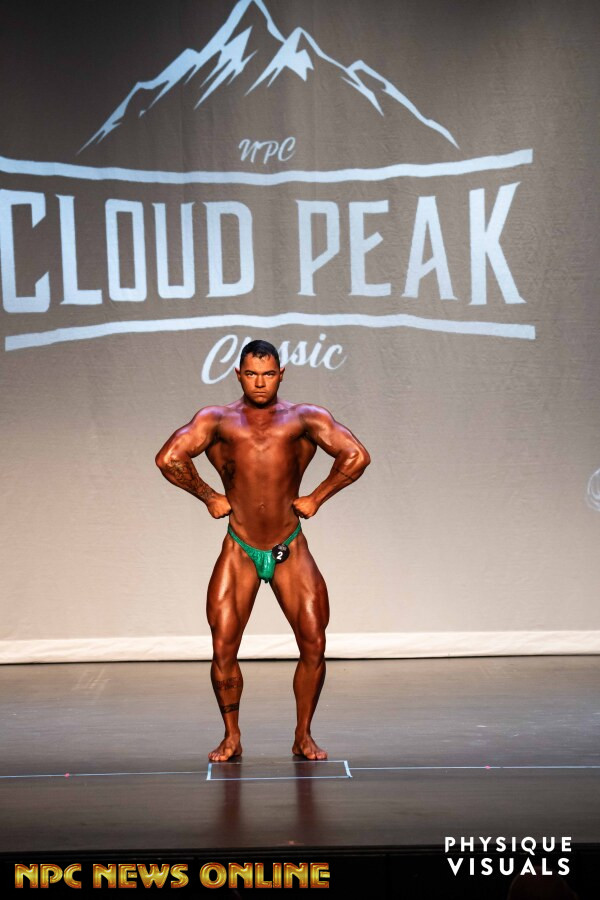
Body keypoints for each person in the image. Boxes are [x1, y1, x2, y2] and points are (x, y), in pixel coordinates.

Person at [155, 339, 371, 762]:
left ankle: (303, 735)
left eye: (268, 374)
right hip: (240, 548)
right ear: (238, 374)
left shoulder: (304, 417)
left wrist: (317, 497)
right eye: (252, 374)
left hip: (290, 545)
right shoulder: (216, 419)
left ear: (281, 374)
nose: (260, 382)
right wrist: (208, 495)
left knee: (314, 643)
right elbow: (168, 458)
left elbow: (356, 455)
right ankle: (231, 736)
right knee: (223, 647)